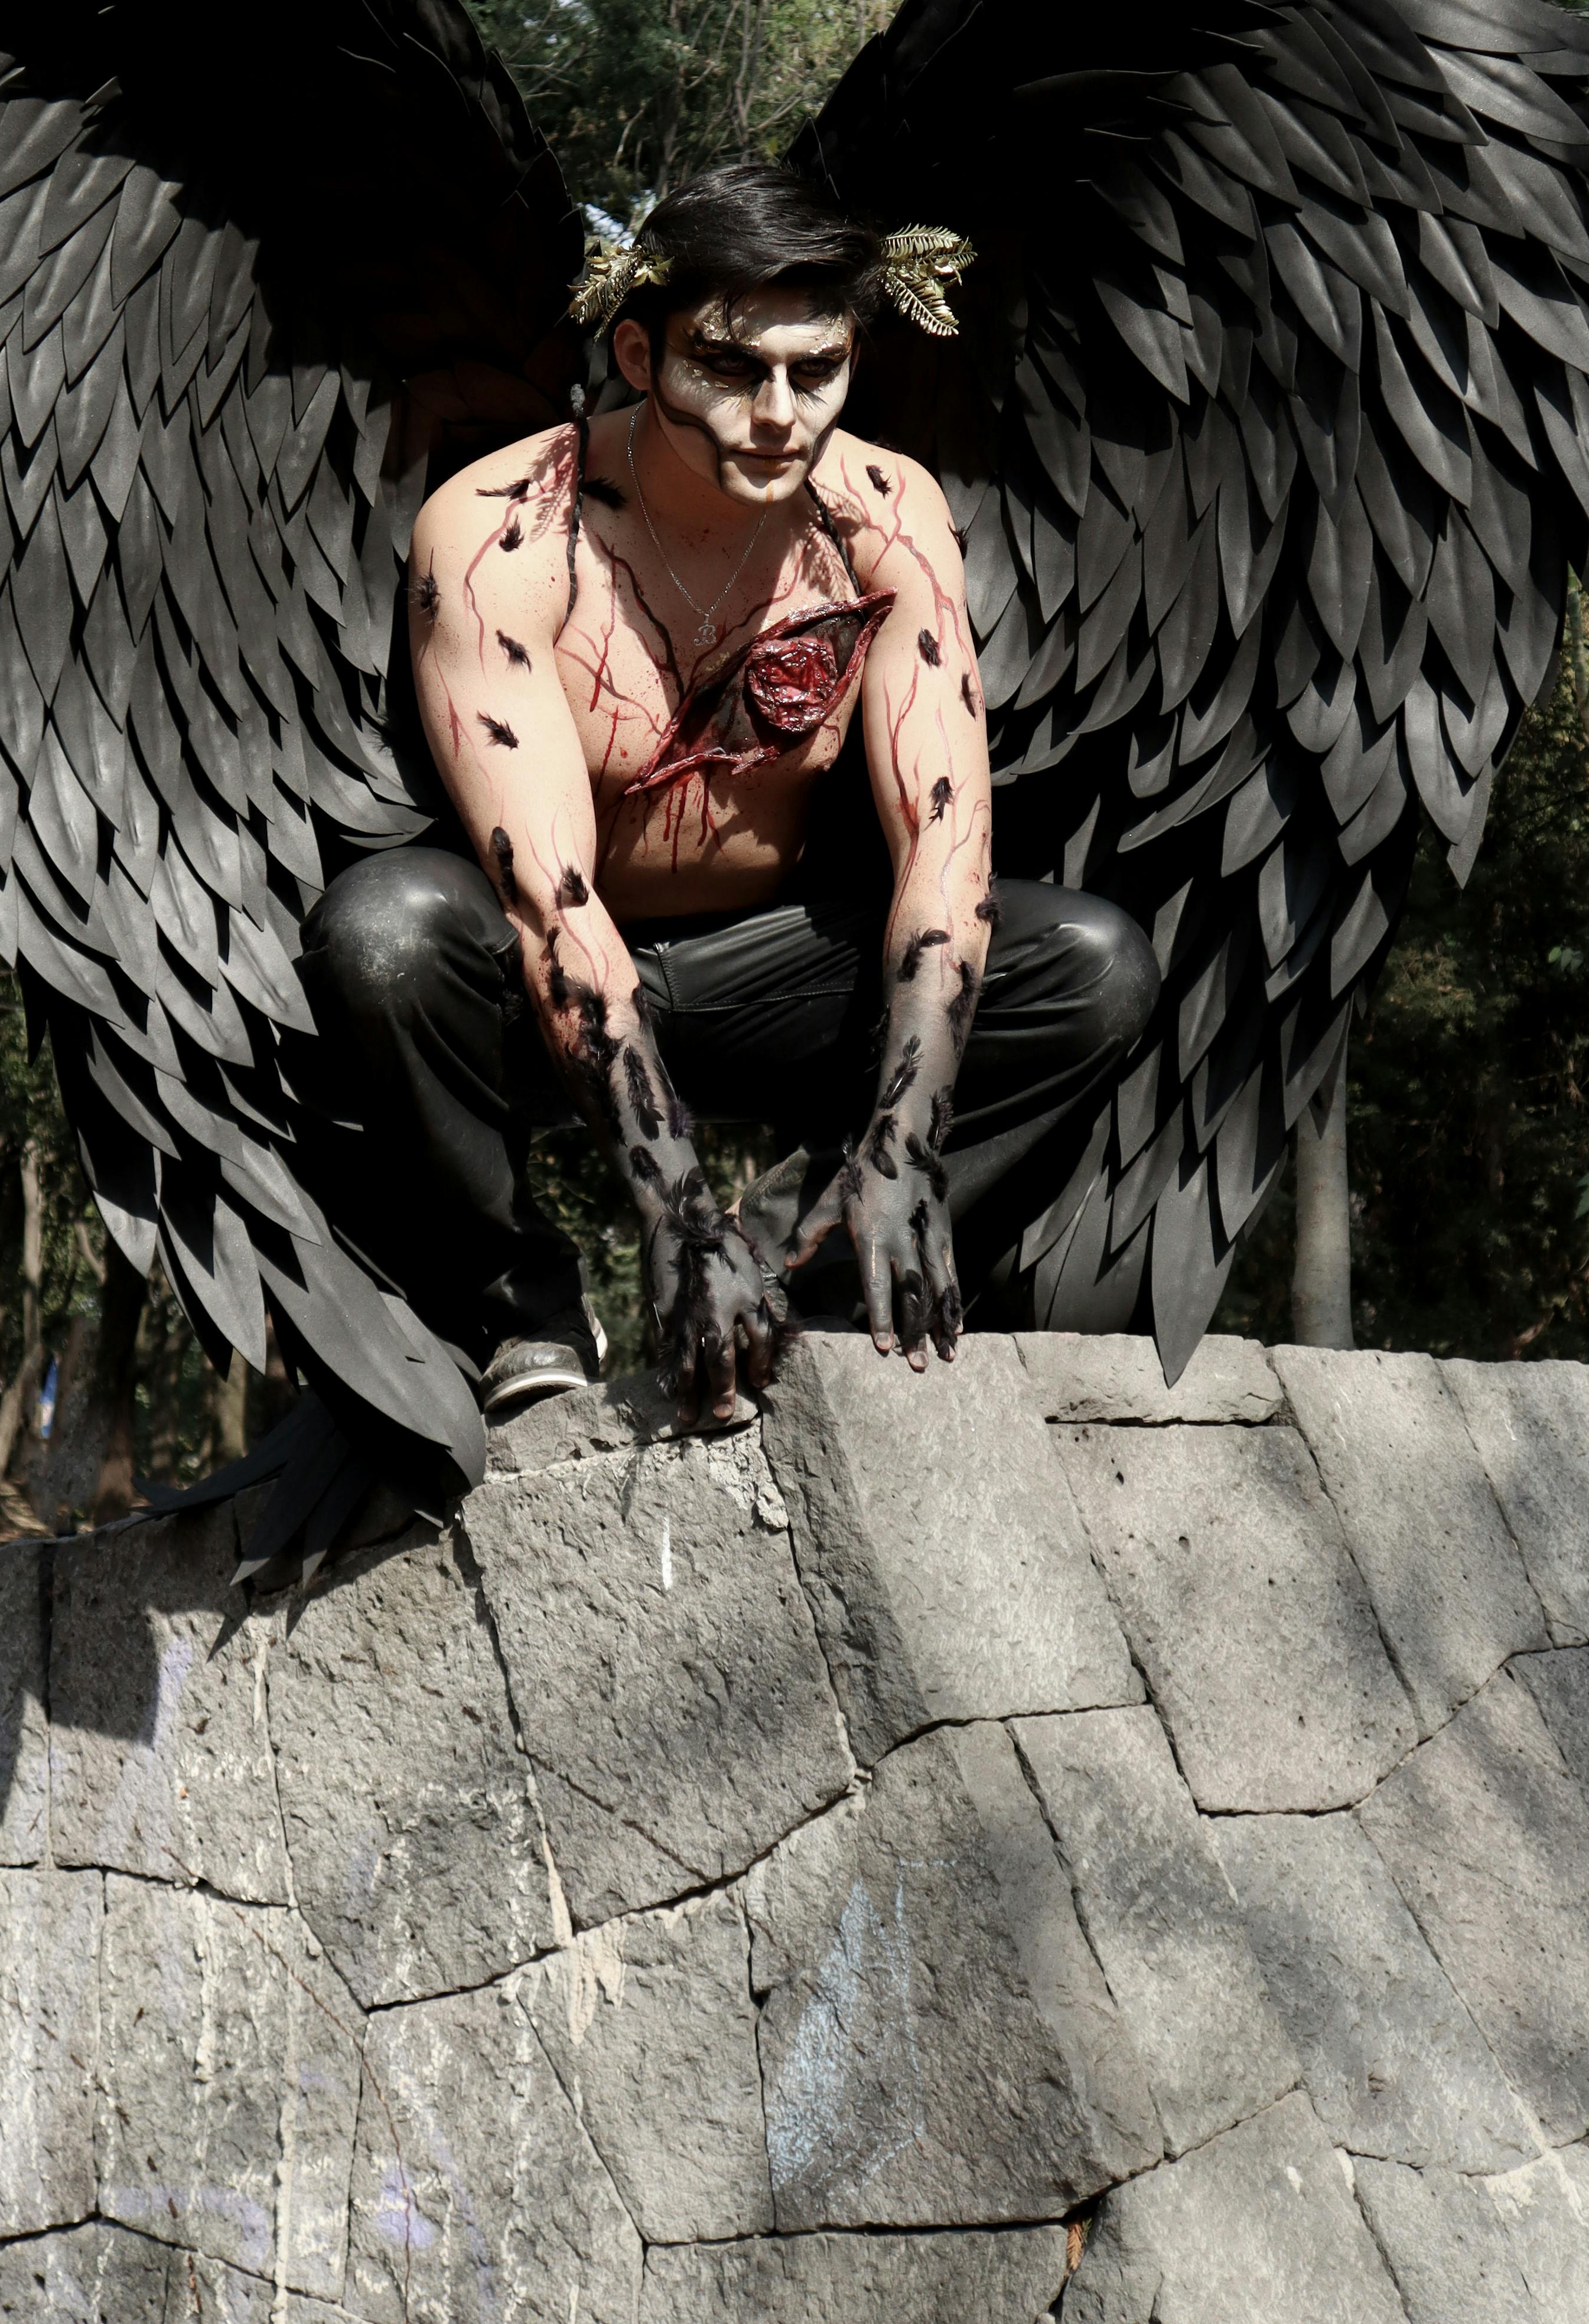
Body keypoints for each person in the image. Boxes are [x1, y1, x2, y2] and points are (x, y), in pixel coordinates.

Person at [299, 161, 1158, 1426]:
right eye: (730, 367)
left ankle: (804, 1265)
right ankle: (515, 1305)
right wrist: (671, 1210)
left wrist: (906, 1143)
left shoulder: (884, 512)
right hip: (533, 986)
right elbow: (549, 905)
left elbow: (946, 849)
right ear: (639, 356)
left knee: (1091, 965)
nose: (777, 413)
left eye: (816, 372)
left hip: (784, 975)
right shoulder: (501, 532)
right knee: (380, 937)